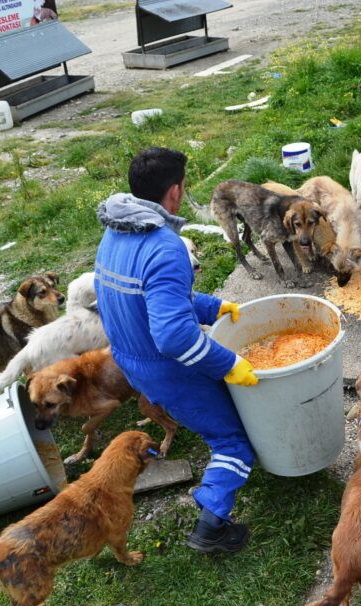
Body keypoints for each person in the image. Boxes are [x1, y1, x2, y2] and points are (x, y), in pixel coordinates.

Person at [94, 147, 258, 553]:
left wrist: (210, 306)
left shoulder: (116, 231)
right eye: (183, 187)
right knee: (234, 440)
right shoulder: (165, 246)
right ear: (174, 193)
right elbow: (174, 337)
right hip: (165, 366)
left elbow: (146, 299)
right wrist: (229, 363)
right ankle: (211, 526)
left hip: (131, 356)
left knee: (216, 414)